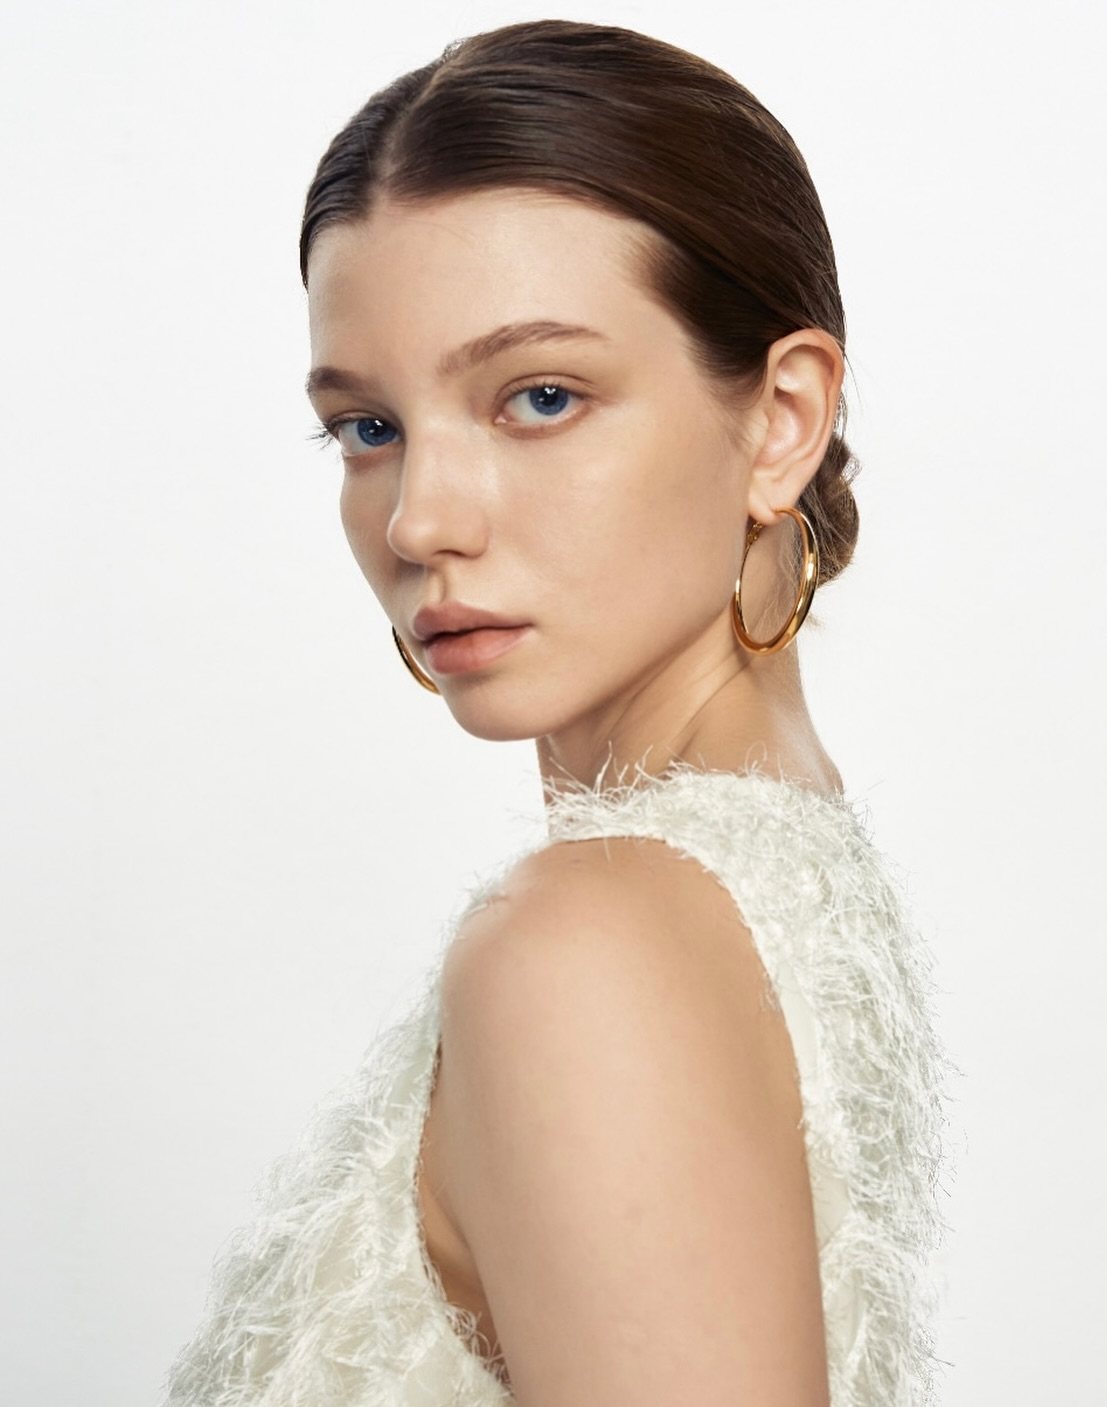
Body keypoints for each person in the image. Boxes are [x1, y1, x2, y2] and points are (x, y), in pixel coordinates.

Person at [161, 18, 954, 1406]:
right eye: (367, 427)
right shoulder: (757, 876)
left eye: (538, 397)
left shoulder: (588, 943)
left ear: (780, 419)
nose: (419, 520)